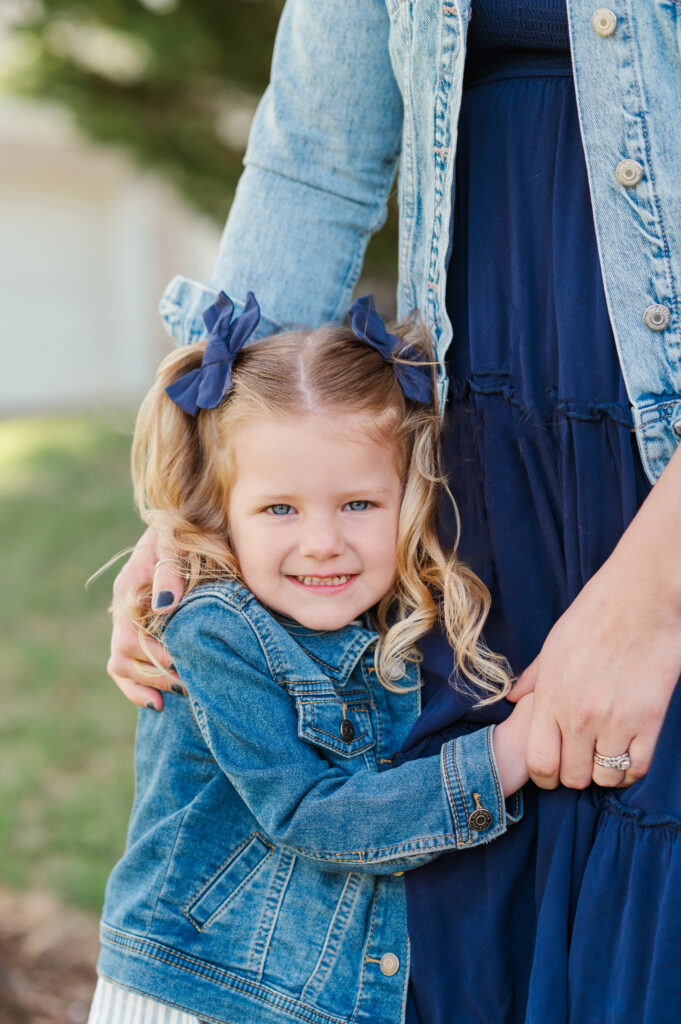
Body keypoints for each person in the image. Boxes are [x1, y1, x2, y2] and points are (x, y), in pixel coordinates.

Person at [106, 0, 681, 1020]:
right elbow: (316, 154)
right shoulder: (375, 543)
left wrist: (654, 594)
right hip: (478, 447)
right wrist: (195, 506)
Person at [89, 292, 531, 1024]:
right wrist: (502, 758)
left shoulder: (385, 624)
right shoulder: (214, 631)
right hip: (192, 990)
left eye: (358, 504)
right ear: (220, 510)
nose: (323, 540)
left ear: (409, 499)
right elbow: (312, 816)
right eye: (279, 509)